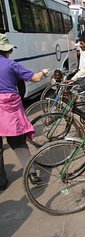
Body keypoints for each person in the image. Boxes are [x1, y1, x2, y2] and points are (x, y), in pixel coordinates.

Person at [0, 34, 49, 191]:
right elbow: (34, 78)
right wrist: (43, 72)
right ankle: (32, 173)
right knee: (17, 141)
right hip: (9, 108)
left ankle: (1, 181)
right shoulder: (11, 65)